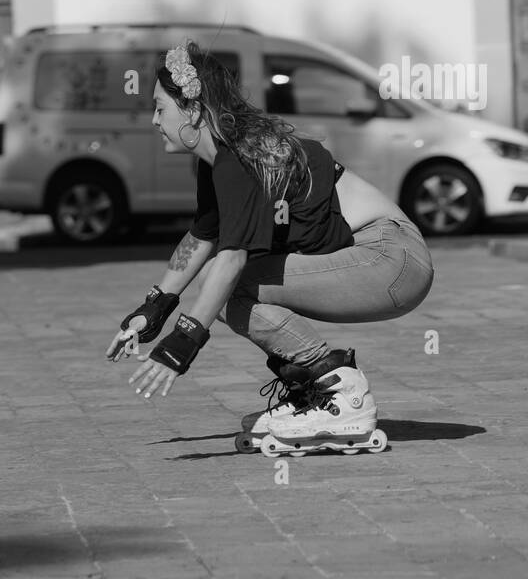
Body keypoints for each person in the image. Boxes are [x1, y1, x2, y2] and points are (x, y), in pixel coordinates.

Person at [105, 41, 434, 455]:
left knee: (226, 286)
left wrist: (179, 347)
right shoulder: (219, 157)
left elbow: (231, 259)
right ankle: (318, 388)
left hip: (391, 258)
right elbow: (202, 237)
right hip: (382, 260)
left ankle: (335, 386)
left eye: (160, 108)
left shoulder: (238, 159)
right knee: (223, 288)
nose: (153, 120)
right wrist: (150, 310)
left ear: (192, 110)